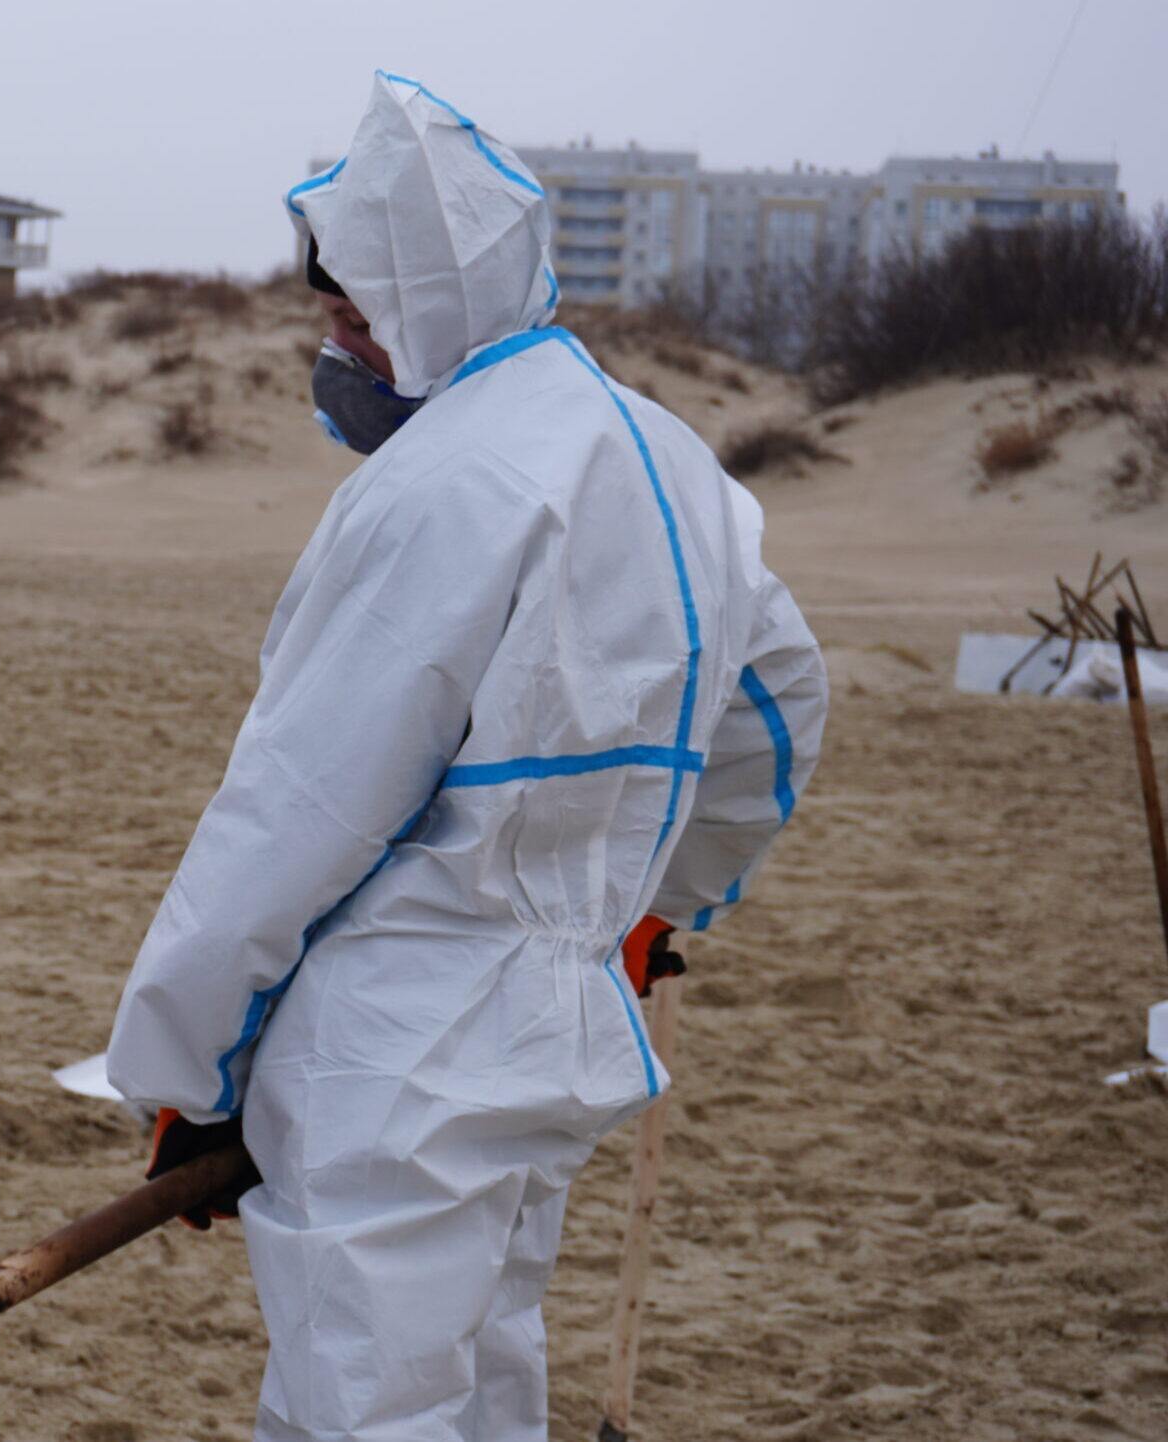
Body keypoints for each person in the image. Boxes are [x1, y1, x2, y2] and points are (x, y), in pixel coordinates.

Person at [106, 73, 826, 1442]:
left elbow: (294, 813)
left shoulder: (439, 487)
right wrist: (658, 904)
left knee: (367, 1411)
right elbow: (783, 702)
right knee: (491, 1385)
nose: (339, 346)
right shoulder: (674, 461)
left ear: (426, 304)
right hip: (556, 1040)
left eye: (355, 317)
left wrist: (186, 1074)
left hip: (400, 1051)